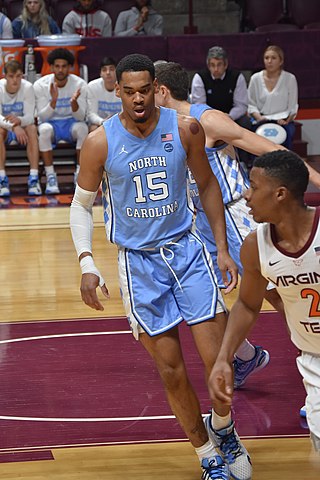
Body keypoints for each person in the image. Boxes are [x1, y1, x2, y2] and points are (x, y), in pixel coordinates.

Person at [70, 53, 252, 480]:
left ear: (157, 89)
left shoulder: (186, 129)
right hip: (139, 264)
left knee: (218, 359)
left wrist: (222, 249)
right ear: (118, 92)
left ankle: (223, 427)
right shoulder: (100, 141)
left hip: (188, 254)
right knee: (171, 371)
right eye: (128, 91)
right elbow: (80, 207)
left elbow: (206, 185)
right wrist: (86, 263)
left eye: (144, 90)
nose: (137, 98)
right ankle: (207, 454)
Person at [155, 61, 287, 388]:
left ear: (161, 89)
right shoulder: (170, 125)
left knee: (281, 296)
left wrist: (310, 177)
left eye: (148, 89)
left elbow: (258, 145)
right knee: (198, 294)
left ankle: (312, 356)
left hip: (236, 215)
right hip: (206, 221)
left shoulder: (206, 118)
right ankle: (244, 355)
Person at [209, 150, 320, 454]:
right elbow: (247, 305)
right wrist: (224, 357)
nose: (247, 195)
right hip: (314, 361)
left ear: (280, 194)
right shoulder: (255, 246)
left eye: (255, 187)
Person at [33, 48, 88, 194]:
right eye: (57, 66)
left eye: (64, 66)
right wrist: (54, 101)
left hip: (71, 122)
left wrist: (74, 103)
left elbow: (81, 117)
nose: (60, 70)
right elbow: (41, 117)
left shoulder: (80, 84)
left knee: (83, 129)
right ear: (51, 67)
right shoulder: (40, 85)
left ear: (70, 67)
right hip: (51, 123)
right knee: (43, 130)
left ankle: (80, 174)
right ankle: (51, 176)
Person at [191, 46, 253, 167]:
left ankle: (244, 162)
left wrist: (228, 117)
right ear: (208, 65)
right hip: (208, 116)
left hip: (231, 116)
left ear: (225, 65)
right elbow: (199, 104)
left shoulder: (236, 77)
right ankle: (205, 162)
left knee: (245, 122)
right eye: (212, 65)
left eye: (219, 65)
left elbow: (241, 105)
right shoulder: (200, 77)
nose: (216, 69)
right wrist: (216, 118)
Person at [0, 60, 41, 197]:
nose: (15, 80)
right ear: (5, 76)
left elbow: (30, 116)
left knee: (32, 128)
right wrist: (14, 126)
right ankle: (2, 179)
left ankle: (34, 178)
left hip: (24, 127)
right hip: (6, 128)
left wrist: (20, 122)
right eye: (11, 76)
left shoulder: (28, 87)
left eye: (18, 76)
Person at [247, 45, 298, 150]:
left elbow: (293, 106)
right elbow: (251, 104)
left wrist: (286, 120)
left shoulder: (290, 79)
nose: (269, 61)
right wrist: (259, 118)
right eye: (266, 58)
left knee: (286, 135)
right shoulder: (255, 78)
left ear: (281, 61)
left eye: (273, 58)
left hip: (283, 120)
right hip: (261, 119)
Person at [86, 57, 122, 132]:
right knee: (93, 129)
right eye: (104, 70)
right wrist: (102, 122)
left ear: (117, 72)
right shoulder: (92, 86)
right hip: (100, 123)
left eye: (111, 69)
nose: (108, 72)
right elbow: (91, 114)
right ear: (100, 73)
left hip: (121, 123)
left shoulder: (124, 86)